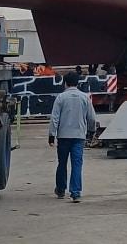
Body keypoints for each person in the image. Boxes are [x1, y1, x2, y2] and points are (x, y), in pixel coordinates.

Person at [48, 71, 96, 202]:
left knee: (62, 163)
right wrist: (91, 132)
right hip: (79, 137)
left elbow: (54, 118)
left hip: (63, 136)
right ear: (78, 83)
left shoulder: (61, 98)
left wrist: (51, 135)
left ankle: (61, 190)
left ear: (65, 83)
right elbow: (91, 118)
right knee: (77, 164)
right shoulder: (85, 97)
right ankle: (75, 192)